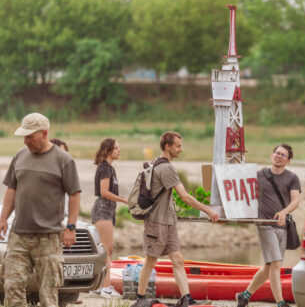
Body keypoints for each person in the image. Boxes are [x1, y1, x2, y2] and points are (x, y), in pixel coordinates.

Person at [0, 113, 81, 307]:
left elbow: (75, 194)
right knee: (12, 285)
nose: (26, 140)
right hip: (19, 235)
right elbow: (12, 188)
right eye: (24, 136)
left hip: (49, 238)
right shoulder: (20, 156)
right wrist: (3, 219)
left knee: (48, 292)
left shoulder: (64, 160)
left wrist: (71, 227)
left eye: (30, 136)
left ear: (44, 134)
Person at [131, 131, 219, 307]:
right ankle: (140, 299)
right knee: (150, 260)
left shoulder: (159, 163)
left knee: (177, 258)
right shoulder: (166, 168)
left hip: (168, 221)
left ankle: (187, 298)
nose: (181, 149)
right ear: (167, 147)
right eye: (178, 146)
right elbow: (185, 196)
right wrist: (208, 210)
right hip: (156, 221)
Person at [236, 144, 301, 307]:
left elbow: (296, 201)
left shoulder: (292, 178)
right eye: (277, 153)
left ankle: (244, 295)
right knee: (276, 264)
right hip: (264, 224)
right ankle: (280, 303)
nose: (279, 156)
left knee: (268, 266)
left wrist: (284, 212)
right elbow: (241, 191)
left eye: (283, 155)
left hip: (282, 225)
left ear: (288, 161)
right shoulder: (259, 175)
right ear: (272, 156)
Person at [90, 138, 128, 298]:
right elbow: (104, 192)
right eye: (116, 148)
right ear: (108, 150)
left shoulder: (109, 168)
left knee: (105, 249)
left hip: (108, 209)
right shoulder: (105, 168)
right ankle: (106, 287)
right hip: (103, 208)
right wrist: (124, 200)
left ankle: (98, 285)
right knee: (107, 248)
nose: (119, 150)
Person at [50, 138, 83, 305]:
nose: (64, 156)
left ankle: (69, 296)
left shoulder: (67, 173)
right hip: (47, 230)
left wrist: (71, 225)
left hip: (63, 225)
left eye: (65, 152)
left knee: (67, 262)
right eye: (60, 152)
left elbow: (75, 196)